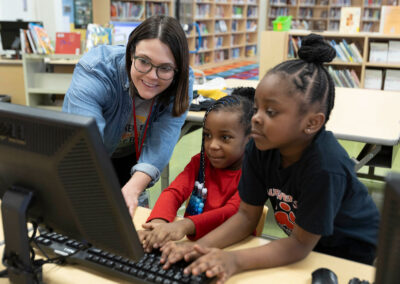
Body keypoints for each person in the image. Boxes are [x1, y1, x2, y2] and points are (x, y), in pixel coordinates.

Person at [158, 34, 380, 283]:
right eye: (257, 108)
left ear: (312, 123)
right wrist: (199, 248)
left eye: (271, 112)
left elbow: (298, 246)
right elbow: (245, 216)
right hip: (304, 242)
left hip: (349, 249)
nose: (256, 118)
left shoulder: (325, 166)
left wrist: (234, 261)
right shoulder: (259, 147)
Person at [62, 16, 194, 216]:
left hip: (132, 159)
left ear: (177, 69)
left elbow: (164, 136)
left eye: (165, 68)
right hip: (89, 158)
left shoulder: (183, 80)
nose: (151, 76)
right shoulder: (96, 69)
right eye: (143, 62)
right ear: (131, 53)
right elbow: (86, 143)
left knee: (131, 225)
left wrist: (133, 188)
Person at [138, 87, 255, 253]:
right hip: (189, 245)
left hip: (232, 249)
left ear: (249, 140)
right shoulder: (200, 162)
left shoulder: (253, 173)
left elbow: (232, 212)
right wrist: (158, 223)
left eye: (225, 137)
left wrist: (186, 225)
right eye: (207, 135)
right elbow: (174, 192)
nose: (213, 145)